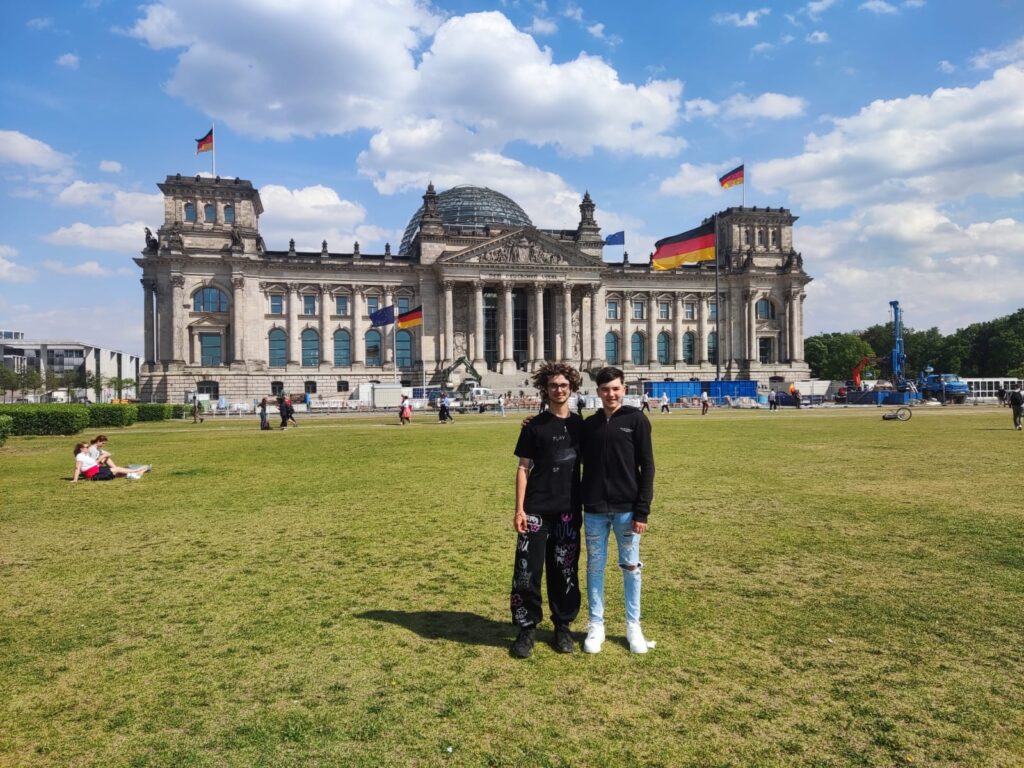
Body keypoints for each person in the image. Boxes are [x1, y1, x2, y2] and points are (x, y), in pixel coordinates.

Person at [509, 362, 584, 658]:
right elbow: (523, 468)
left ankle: (562, 626)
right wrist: (519, 510)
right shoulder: (534, 426)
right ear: (545, 389)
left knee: (564, 569)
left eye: (564, 385)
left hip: (568, 510)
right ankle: (526, 628)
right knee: (527, 570)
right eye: (553, 385)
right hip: (536, 511)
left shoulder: (581, 426)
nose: (559, 389)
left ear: (572, 388)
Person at [581, 366, 655, 654]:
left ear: (624, 389)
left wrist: (642, 511)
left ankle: (633, 625)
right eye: (605, 389)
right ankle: (596, 624)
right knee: (594, 567)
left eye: (615, 389)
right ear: (598, 392)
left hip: (627, 509)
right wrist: (531, 423)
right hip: (594, 509)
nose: (610, 394)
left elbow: (647, 466)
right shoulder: (589, 424)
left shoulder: (636, 420)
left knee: (631, 567)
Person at [72, 442, 150, 482]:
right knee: (117, 470)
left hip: (98, 470)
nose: (88, 448)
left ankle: (139, 472)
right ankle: (137, 470)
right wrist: (75, 480)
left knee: (119, 473)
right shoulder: (80, 456)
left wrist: (102, 459)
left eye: (88, 446)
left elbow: (92, 464)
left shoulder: (85, 455)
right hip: (94, 474)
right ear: (81, 449)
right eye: (86, 447)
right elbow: (77, 468)